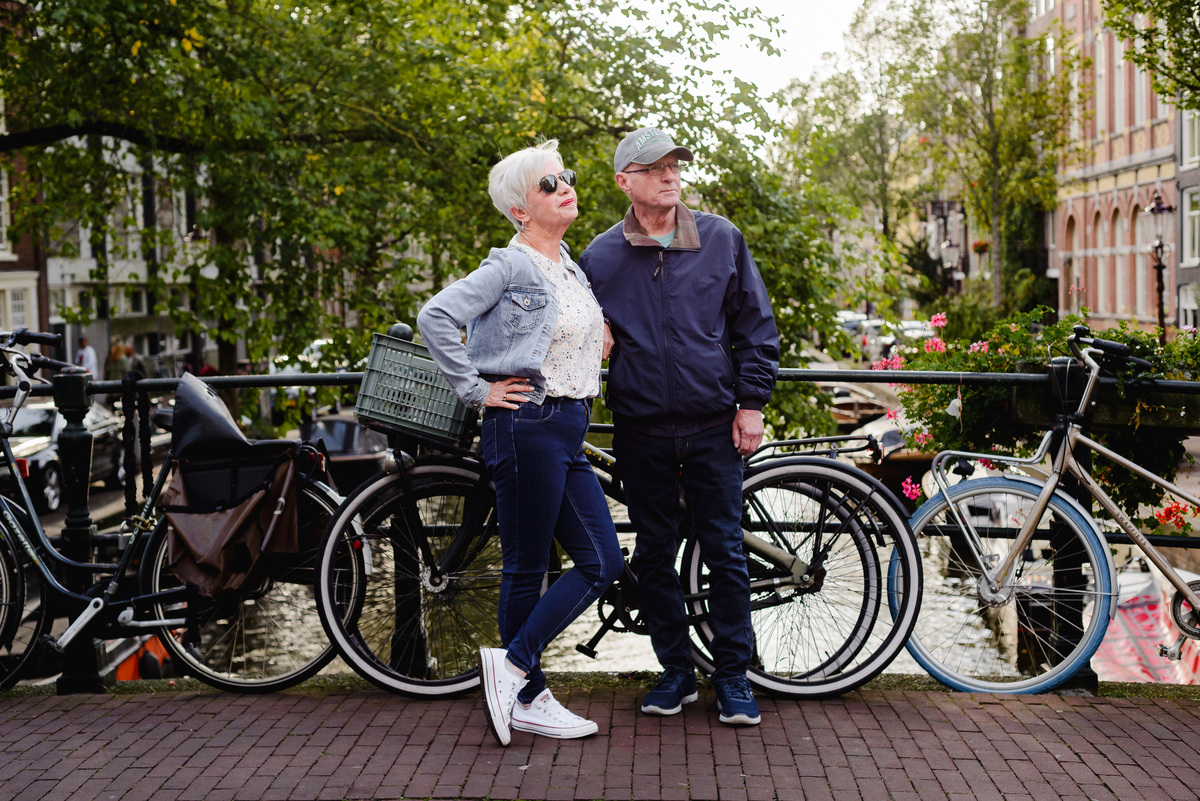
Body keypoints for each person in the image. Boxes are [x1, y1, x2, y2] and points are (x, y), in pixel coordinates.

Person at [417, 140, 622, 747]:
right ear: (520, 213)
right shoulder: (509, 265)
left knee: (602, 561)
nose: (565, 187)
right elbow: (435, 317)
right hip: (526, 424)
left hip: (567, 428)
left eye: (567, 177)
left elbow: (567, 329)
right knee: (528, 567)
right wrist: (477, 392)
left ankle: (513, 674)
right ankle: (523, 686)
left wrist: (599, 335)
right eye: (548, 184)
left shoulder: (570, 266)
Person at [578, 127, 779, 727]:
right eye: (655, 167)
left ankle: (734, 676)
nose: (670, 175)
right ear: (625, 181)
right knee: (656, 552)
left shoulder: (721, 239)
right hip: (641, 427)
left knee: (724, 549)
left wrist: (751, 403)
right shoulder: (600, 256)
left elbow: (756, 328)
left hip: (714, 422)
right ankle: (676, 672)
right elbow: (578, 333)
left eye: (675, 166)